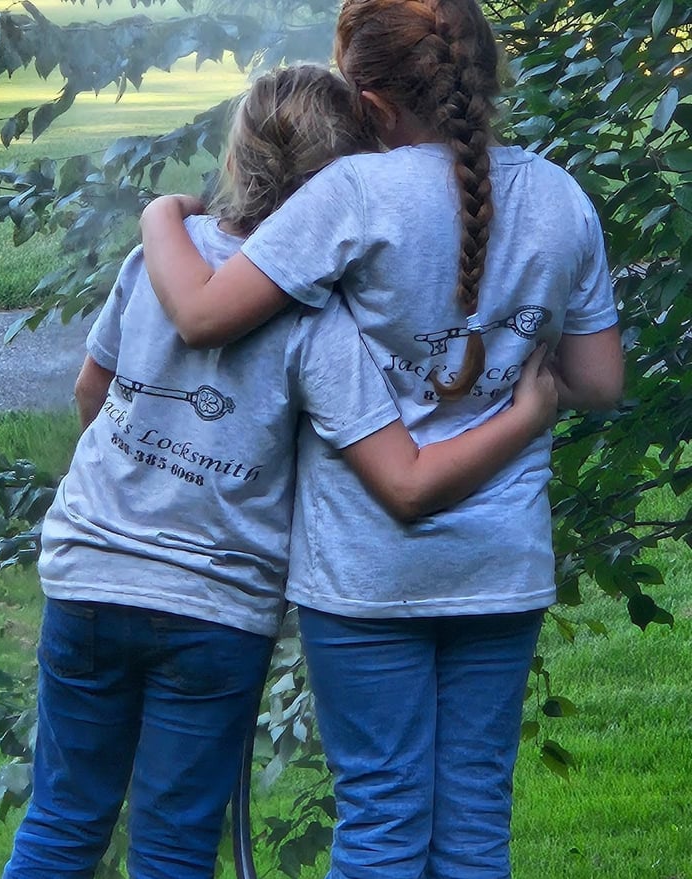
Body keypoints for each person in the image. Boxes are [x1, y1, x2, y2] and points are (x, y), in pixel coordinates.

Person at [2, 63, 557, 879]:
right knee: (174, 842)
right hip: (215, 608)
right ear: (346, 183)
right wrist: (525, 414)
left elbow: (94, 390)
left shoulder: (163, 258)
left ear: (239, 153)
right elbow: (397, 471)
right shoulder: (321, 320)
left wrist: (144, 492)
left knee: (62, 816)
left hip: (89, 576)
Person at [138, 3, 625, 877]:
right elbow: (599, 385)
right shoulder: (558, 195)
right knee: (476, 816)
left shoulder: (351, 196)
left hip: (366, 573)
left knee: (383, 814)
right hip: (500, 566)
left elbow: (205, 317)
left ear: (365, 99)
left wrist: (155, 222)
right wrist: (521, 364)